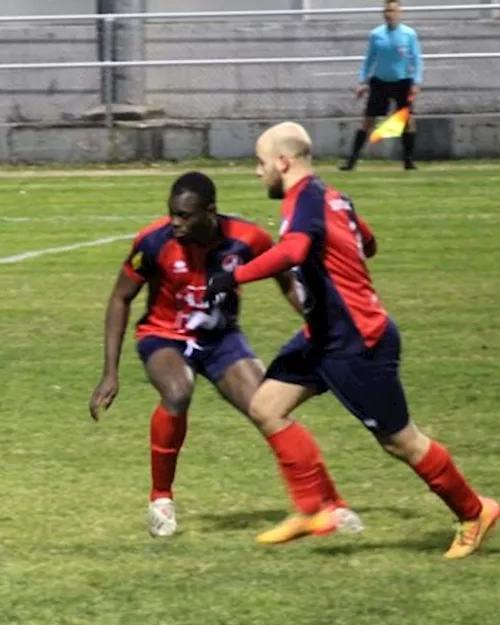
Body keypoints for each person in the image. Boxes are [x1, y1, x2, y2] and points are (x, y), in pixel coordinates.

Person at [205, 122, 497, 559]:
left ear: (283, 162)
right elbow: (369, 242)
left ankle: (474, 512)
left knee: (401, 442)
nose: (257, 172)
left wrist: (235, 276)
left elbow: (294, 251)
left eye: (260, 163)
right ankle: (312, 510)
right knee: (266, 406)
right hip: (322, 337)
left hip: (357, 341)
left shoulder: (304, 199)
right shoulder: (331, 195)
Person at [88, 172, 359, 538]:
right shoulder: (153, 242)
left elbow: (286, 279)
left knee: (269, 408)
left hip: (221, 339)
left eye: (185, 216)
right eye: (172, 214)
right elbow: (120, 297)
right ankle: (161, 500)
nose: (176, 223)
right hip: (164, 335)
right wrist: (110, 372)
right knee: (177, 392)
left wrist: (319, 322)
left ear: (210, 212)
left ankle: (332, 505)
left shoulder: (247, 239)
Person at [341, 0, 422, 171]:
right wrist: (363, 81)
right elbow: (369, 60)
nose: (389, 14)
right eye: (386, 10)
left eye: (392, 10)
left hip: (402, 81)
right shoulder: (376, 34)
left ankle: (408, 161)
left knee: (407, 121)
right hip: (380, 82)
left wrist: (416, 82)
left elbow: (416, 60)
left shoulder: (409, 34)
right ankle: (352, 161)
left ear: (399, 13)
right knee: (368, 120)